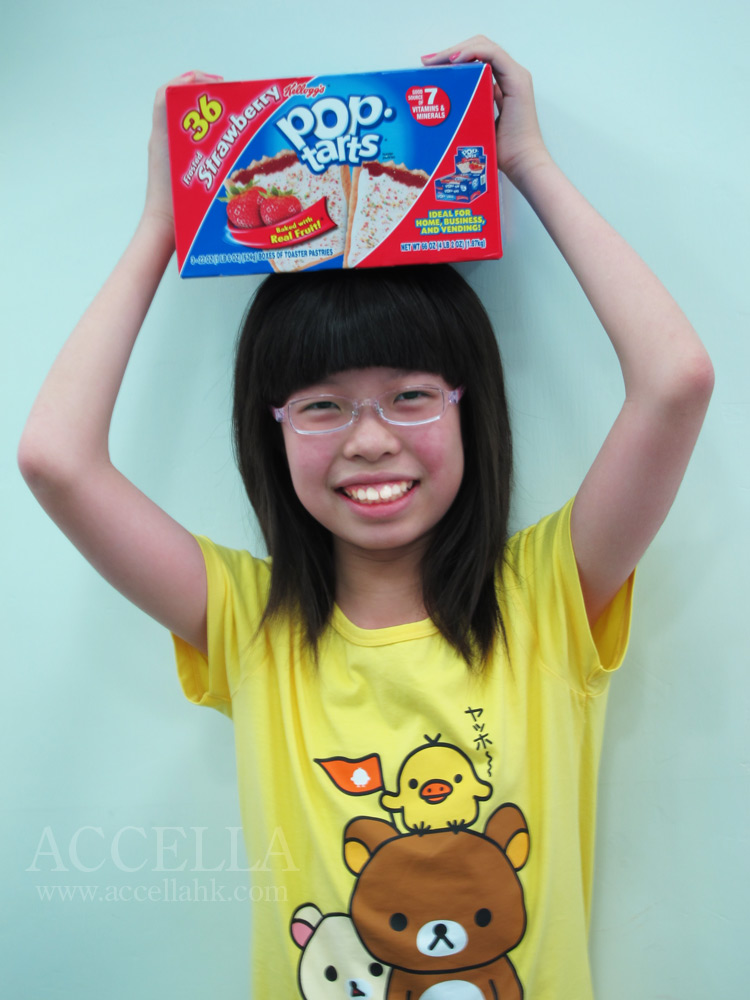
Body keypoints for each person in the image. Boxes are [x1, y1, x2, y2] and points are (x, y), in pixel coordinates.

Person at [18, 35, 713, 1000]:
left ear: (471, 407)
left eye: (411, 395)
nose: (369, 440)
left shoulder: (549, 595)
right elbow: (54, 460)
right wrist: (161, 223)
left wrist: (527, 163)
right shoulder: (248, 623)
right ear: (273, 432)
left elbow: (676, 382)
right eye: (321, 405)